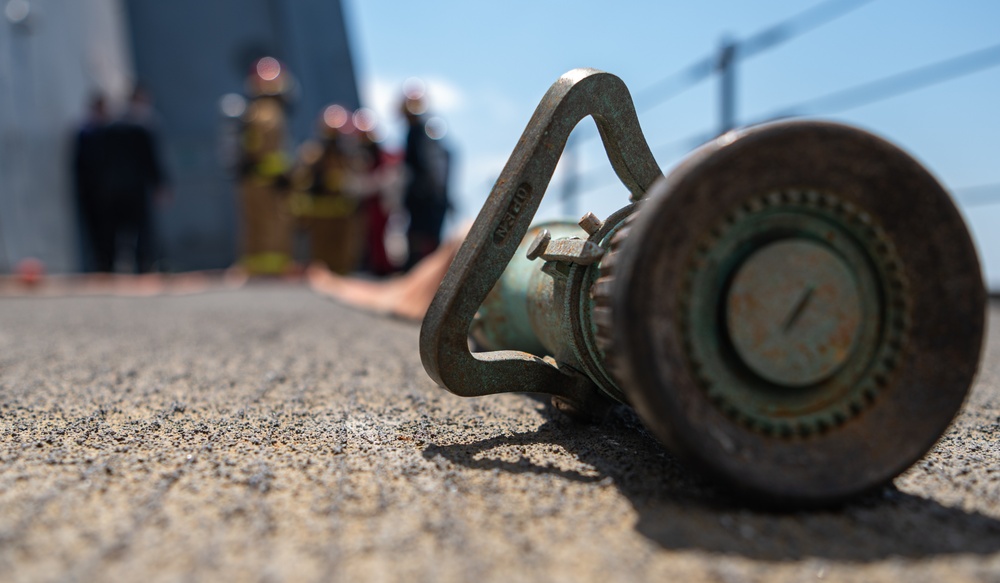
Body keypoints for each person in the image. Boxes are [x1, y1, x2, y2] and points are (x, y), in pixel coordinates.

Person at [91, 85, 168, 273]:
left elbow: (99, 162)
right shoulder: (143, 127)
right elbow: (151, 160)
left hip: (110, 189)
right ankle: (143, 267)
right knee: (141, 230)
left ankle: (107, 268)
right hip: (136, 188)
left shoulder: (108, 128)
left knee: (112, 233)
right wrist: (160, 184)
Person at [236, 56, 295, 275]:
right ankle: (273, 270)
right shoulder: (271, 113)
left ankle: (257, 269)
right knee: (274, 227)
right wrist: (283, 174)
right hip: (269, 184)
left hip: (252, 181)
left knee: (255, 226)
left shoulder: (253, 111)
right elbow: (267, 151)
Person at [289, 104, 364, 274]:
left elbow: (358, 183)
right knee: (322, 264)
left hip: (342, 218)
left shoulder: (349, 156)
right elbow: (300, 181)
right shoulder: (312, 153)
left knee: (342, 263)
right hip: (320, 217)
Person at [400, 81, 451, 269]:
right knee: (418, 233)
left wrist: (437, 191)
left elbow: (435, 164)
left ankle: (425, 272)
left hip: (428, 196)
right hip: (422, 195)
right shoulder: (415, 130)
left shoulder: (423, 130)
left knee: (427, 235)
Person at [72, 93, 110, 271]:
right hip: (93, 190)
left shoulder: (114, 130)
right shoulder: (85, 131)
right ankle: (101, 265)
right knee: (95, 231)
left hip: (110, 191)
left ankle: (108, 264)